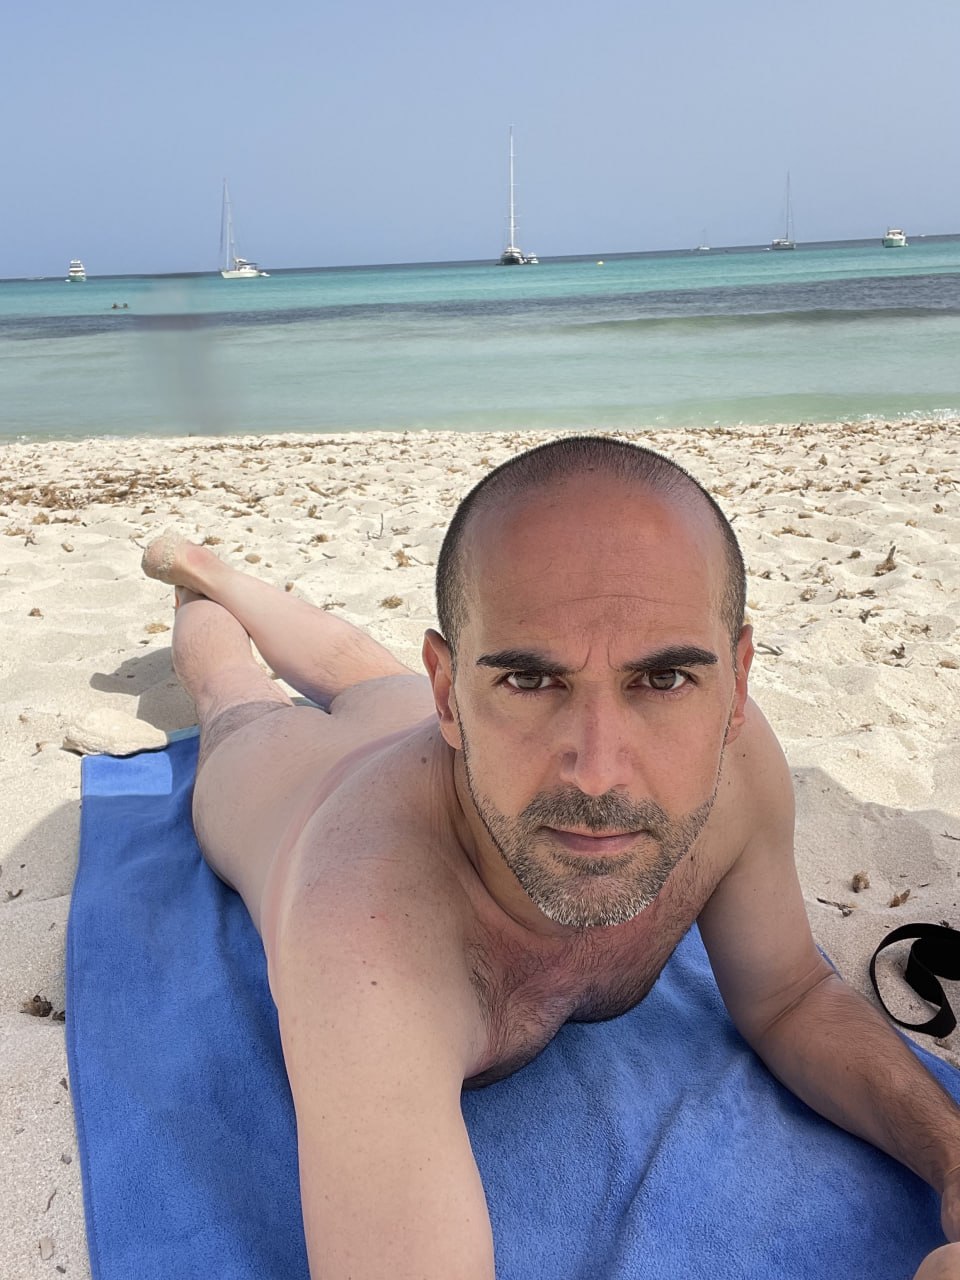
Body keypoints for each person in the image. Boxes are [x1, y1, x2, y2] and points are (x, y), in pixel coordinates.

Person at [141, 435, 960, 1280]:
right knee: (235, 693)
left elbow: (792, 996)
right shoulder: (365, 934)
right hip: (286, 783)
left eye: (664, 680)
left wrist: (951, 1158)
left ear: (737, 684)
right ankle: (199, 588)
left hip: (456, 747)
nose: (599, 773)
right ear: (450, 693)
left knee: (363, 674)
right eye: (531, 681)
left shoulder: (735, 766)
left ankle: (225, 571)